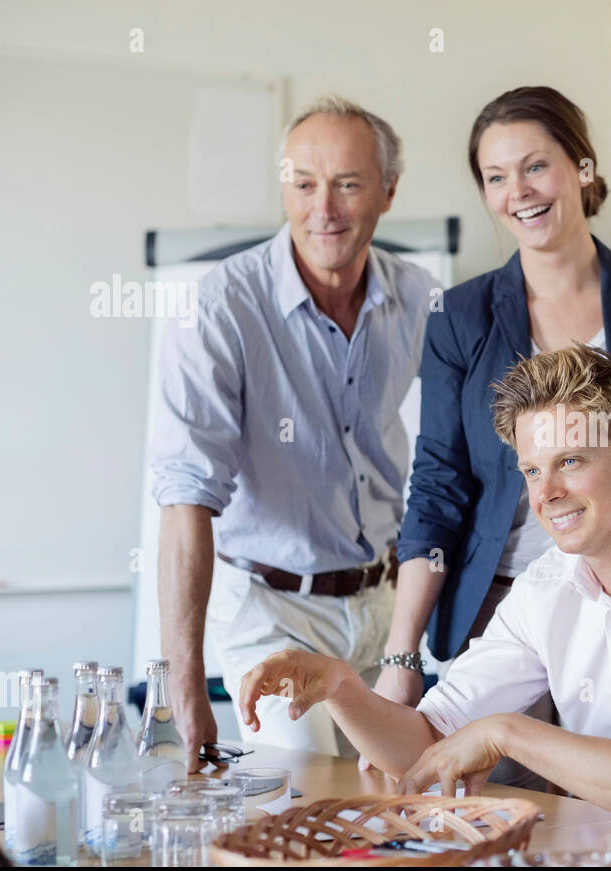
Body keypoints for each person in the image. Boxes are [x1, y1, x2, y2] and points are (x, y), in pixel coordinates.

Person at [238, 345, 611, 821]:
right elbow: (426, 744)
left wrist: (506, 734)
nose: (545, 494)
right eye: (531, 469)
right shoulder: (545, 585)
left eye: (570, 462)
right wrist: (342, 687)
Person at [373, 87, 611, 722]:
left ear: (582, 168)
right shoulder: (459, 318)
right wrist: (401, 658)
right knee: (494, 807)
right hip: (504, 606)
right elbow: (437, 487)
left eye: (536, 165)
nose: (519, 191)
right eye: (496, 176)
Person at [151, 96, 434, 766]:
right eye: (303, 184)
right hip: (271, 608)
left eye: (348, 184)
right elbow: (186, 496)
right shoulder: (220, 306)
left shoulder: (422, 298)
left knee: (395, 794)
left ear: (388, 192)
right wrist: (183, 688)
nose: (323, 209)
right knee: (308, 801)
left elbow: (467, 452)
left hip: (383, 602)